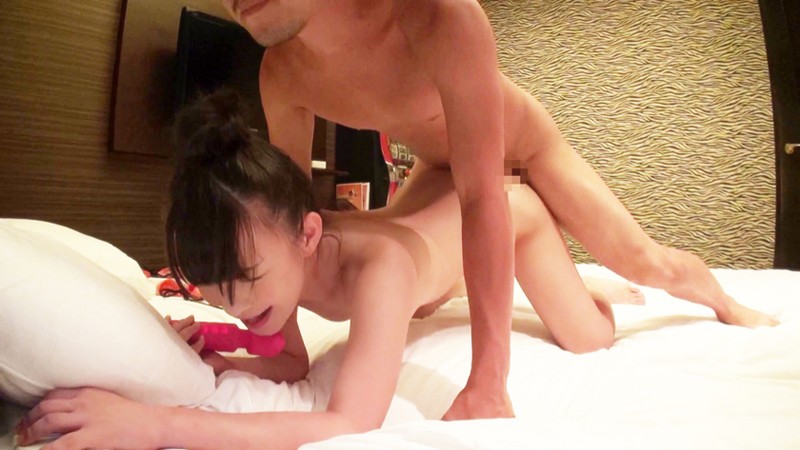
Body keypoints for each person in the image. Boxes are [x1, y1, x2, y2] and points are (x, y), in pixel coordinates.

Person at [15, 92, 774, 449]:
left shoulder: (372, 271)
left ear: (310, 235)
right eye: (213, 291)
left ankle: (678, 291)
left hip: (509, 217)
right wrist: (219, 349)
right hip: (430, 227)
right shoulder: (279, 263)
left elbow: (351, 423)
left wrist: (156, 425)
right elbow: (289, 361)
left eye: (244, 284)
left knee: (591, 336)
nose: (236, 305)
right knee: (425, 286)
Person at [220, 0, 777, 420]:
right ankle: (555, 274)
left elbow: (482, 197)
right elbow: (290, 224)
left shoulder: (436, 17)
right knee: (408, 282)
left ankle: (721, 300)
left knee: (639, 275)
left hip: (525, 153)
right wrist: (280, 349)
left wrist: (488, 383)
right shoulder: (282, 71)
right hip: (442, 166)